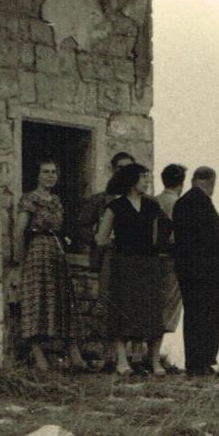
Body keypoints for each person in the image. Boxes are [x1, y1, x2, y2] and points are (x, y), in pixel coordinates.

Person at [13, 159, 89, 372]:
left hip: (57, 251)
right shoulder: (30, 198)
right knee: (38, 300)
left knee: (64, 299)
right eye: (45, 172)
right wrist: (19, 262)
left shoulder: (56, 200)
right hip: (38, 251)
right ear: (38, 175)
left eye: (54, 172)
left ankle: (73, 354)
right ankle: (39, 356)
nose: (50, 176)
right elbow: (19, 231)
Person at [95, 163, 165, 376]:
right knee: (122, 310)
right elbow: (100, 239)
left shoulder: (151, 206)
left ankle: (151, 361)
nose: (147, 181)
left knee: (150, 311)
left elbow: (157, 236)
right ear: (132, 180)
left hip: (148, 263)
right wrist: (120, 243)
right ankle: (122, 360)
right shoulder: (115, 206)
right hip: (124, 264)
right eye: (143, 177)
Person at [173, 166, 219, 376]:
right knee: (206, 317)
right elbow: (209, 238)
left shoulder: (184, 202)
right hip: (206, 272)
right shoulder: (200, 202)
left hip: (191, 270)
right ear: (210, 182)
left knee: (195, 316)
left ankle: (198, 362)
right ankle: (201, 362)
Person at [76, 151, 135, 369]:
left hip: (133, 260)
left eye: (129, 169)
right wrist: (98, 239)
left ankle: (132, 357)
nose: (124, 173)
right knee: (108, 305)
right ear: (112, 170)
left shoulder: (140, 199)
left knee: (132, 306)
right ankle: (110, 356)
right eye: (120, 169)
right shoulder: (100, 200)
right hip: (108, 259)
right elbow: (81, 225)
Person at [155, 163, 186, 369]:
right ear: (181, 183)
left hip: (152, 258)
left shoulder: (154, 200)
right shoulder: (177, 203)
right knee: (166, 307)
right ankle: (154, 355)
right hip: (170, 258)